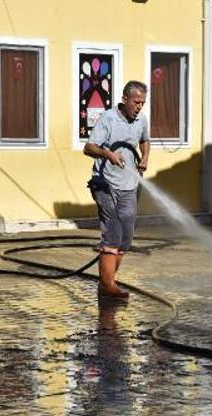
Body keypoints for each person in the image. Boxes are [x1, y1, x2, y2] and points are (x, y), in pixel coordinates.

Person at [84, 80, 150, 299]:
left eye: (143, 103)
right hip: (105, 184)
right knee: (113, 232)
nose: (139, 107)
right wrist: (109, 154)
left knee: (125, 238)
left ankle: (108, 282)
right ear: (125, 99)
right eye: (136, 102)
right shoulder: (108, 119)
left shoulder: (141, 120)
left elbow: (144, 140)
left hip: (129, 185)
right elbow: (89, 147)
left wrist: (145, 158)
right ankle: (107, 286)